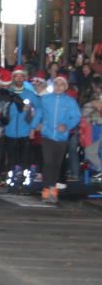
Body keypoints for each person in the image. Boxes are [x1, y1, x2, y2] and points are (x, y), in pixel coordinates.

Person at [35, 72, 81, 204]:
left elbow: (76, 117)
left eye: (62, 84)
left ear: (65, 87)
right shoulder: (46, 99)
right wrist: (34, 126)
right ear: (53, 85)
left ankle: (53, 189)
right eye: (56, 84)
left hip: (61, 138)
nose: (59, 87)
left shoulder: (70, 101)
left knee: (56, 164)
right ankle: (46, 190)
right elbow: (39, 113)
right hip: (47, 135)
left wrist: (66, 126)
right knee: (48, 163)